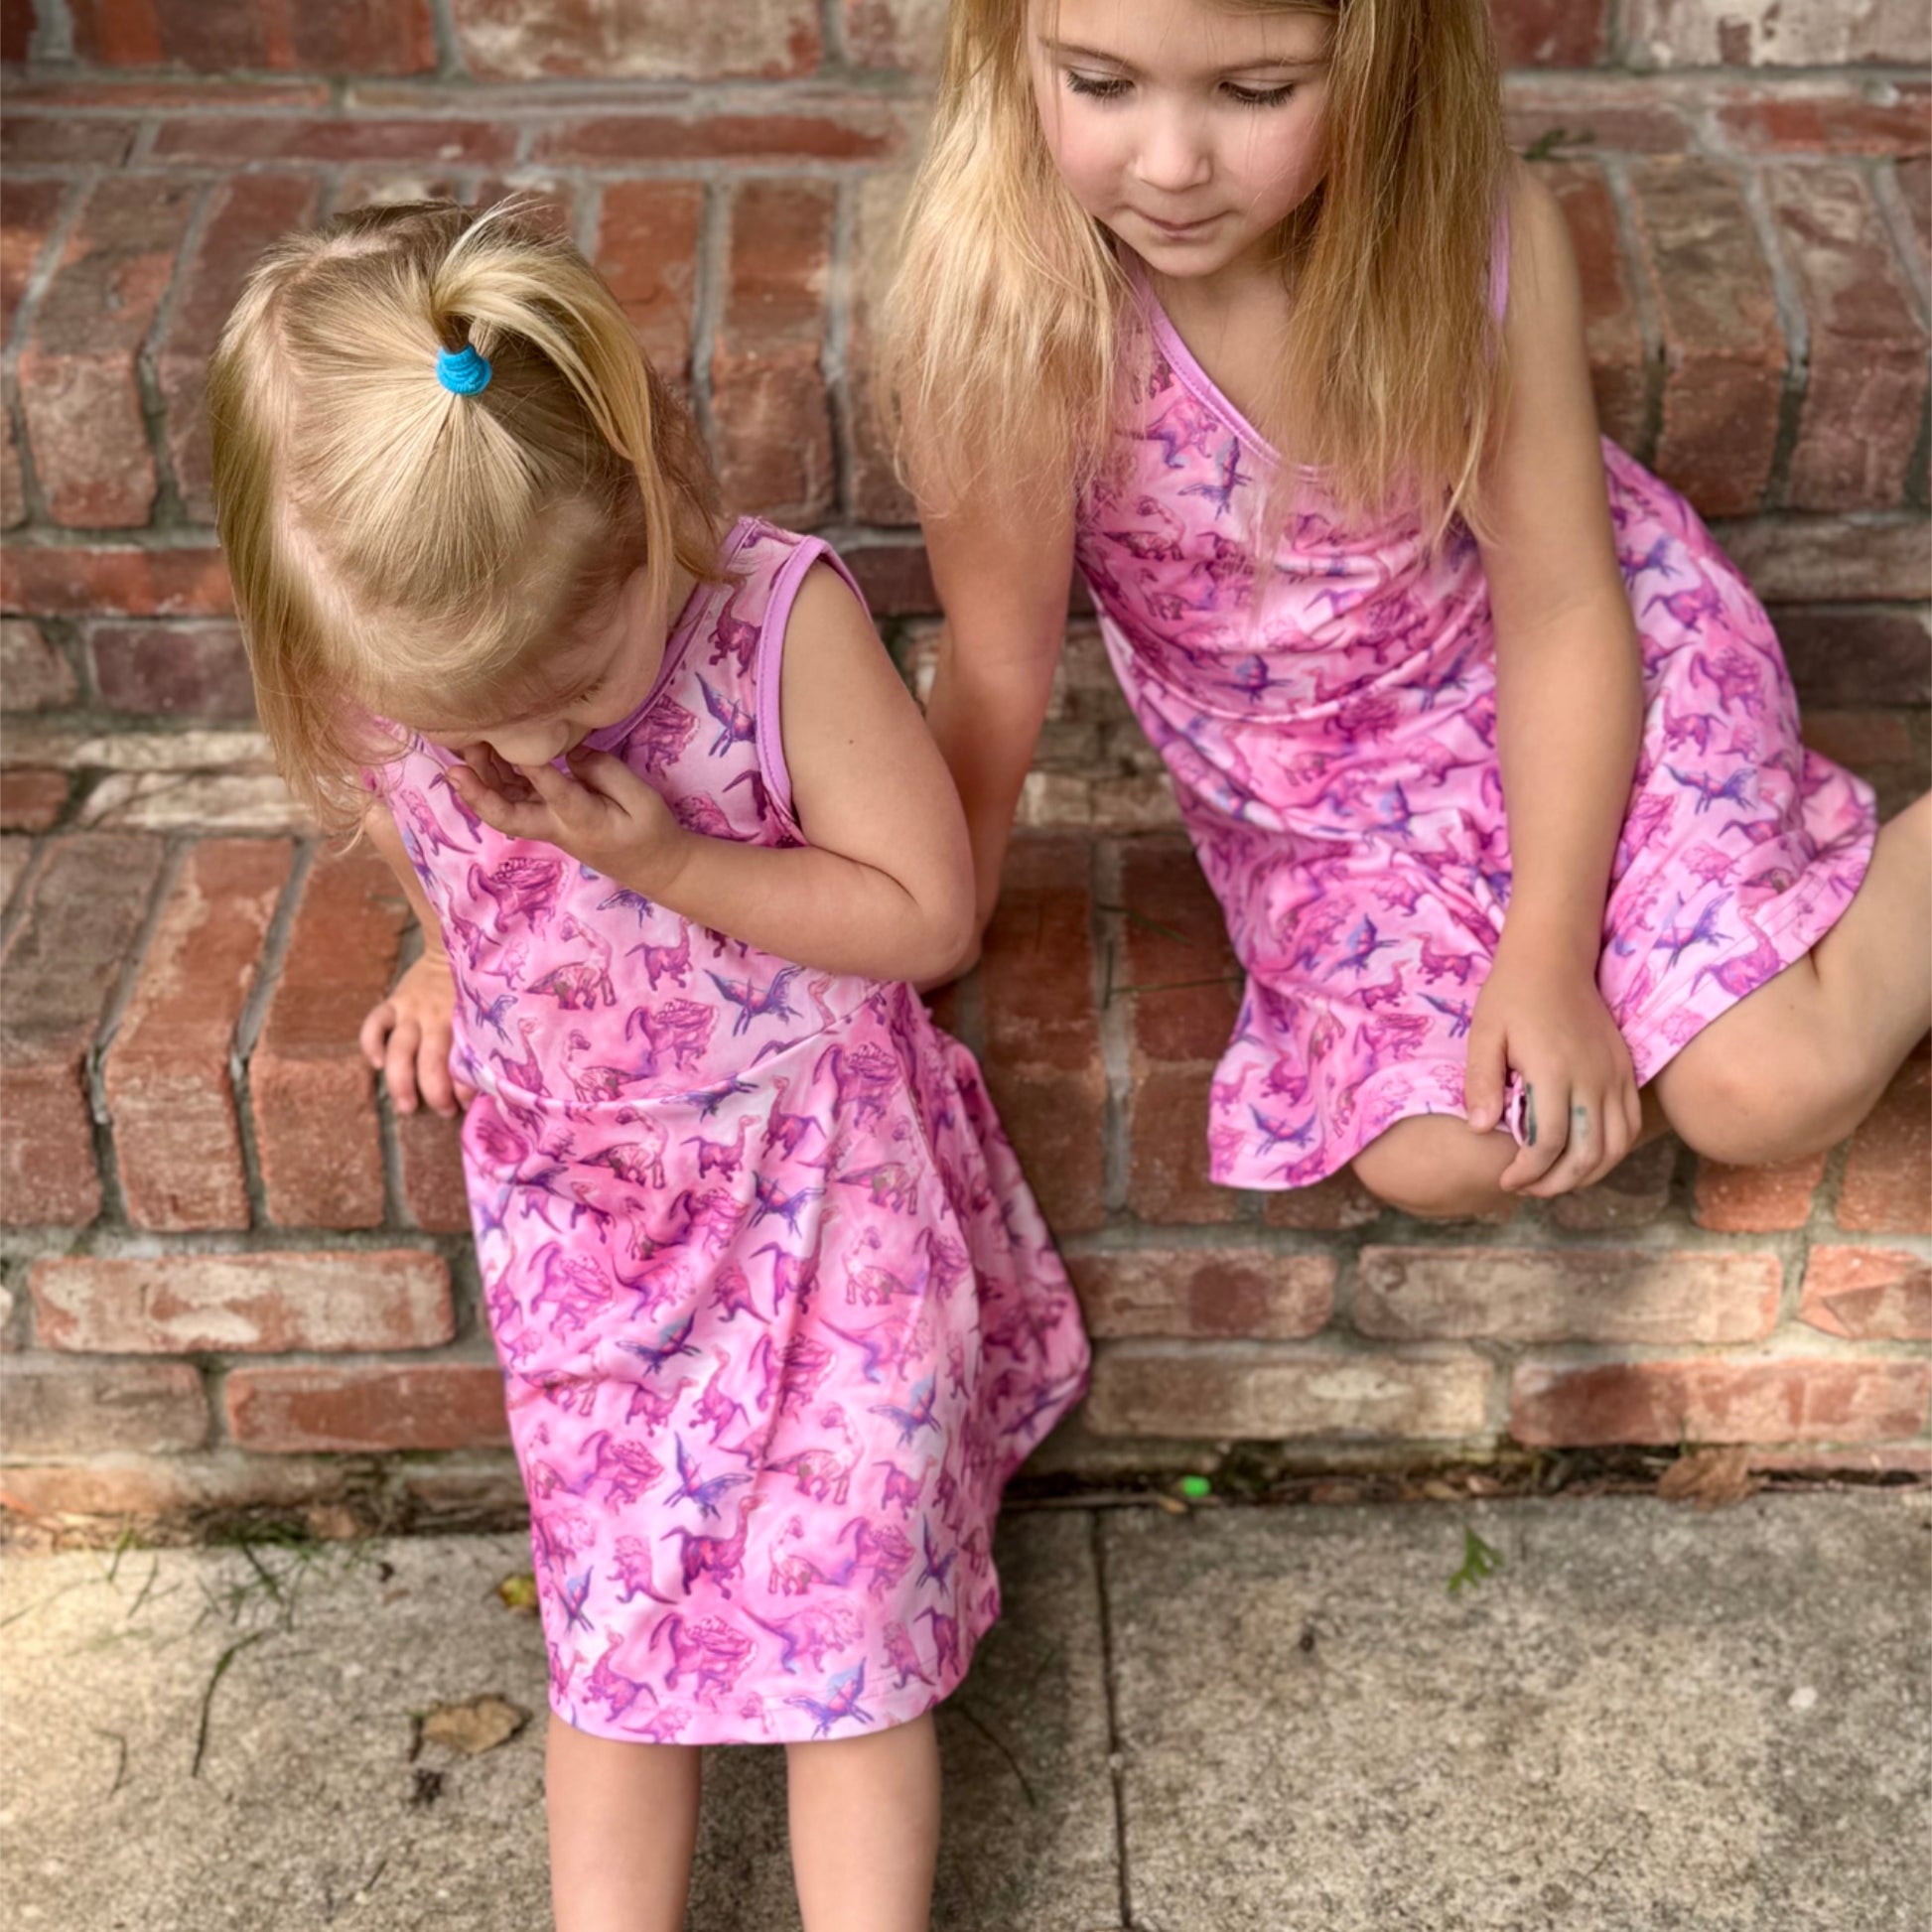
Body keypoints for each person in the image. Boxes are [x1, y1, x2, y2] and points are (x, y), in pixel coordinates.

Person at [207, 196, 1089, 1932]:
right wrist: (452, 950)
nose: (532, 743)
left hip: (819, 1191)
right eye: (473, 720)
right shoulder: (382, 646)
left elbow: (925, 914)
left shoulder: (770, 627)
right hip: (586, 1228)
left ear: (644, 494)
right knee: (612, 1616)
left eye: (570, 680)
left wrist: (670, 863)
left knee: (847, 1624)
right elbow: (422, 828)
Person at [881, 0, 1932, 1216]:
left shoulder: (1467, 241)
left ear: (1385, 54)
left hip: (1567, 668)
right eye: (1101, 84)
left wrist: (1550, 953)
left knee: (1758, 1088)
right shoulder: (1004, 302)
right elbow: (996, 667)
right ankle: (1671, 988)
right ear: (1008, 47)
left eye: (1256, 92)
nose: (1168, 164)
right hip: (1314, 797)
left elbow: (1559, 609)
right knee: (1443, 1153)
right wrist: (932, 922)